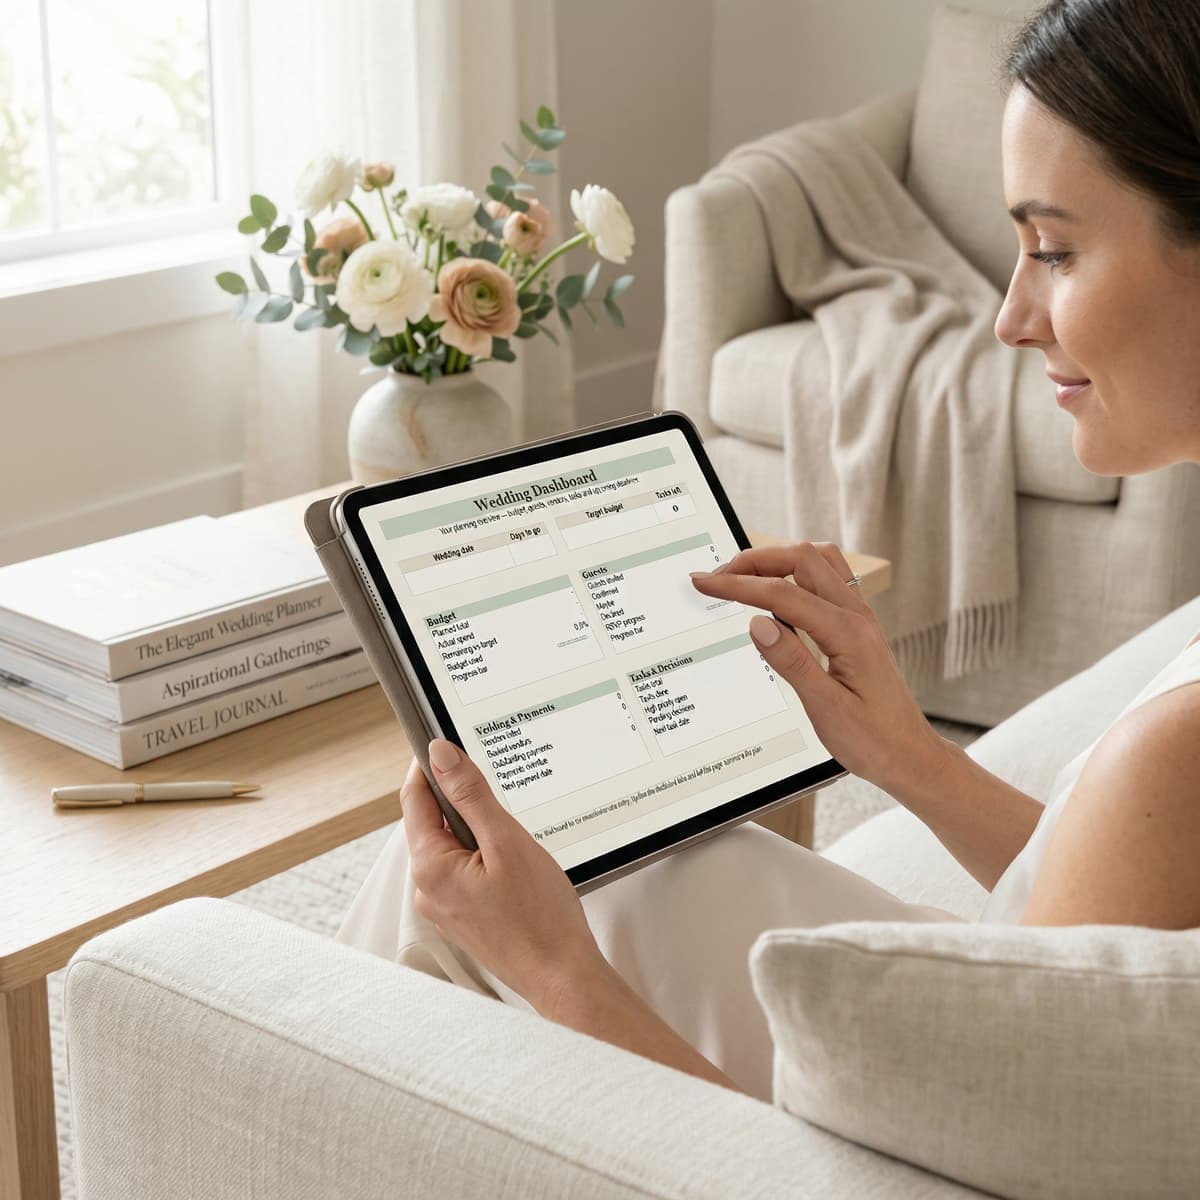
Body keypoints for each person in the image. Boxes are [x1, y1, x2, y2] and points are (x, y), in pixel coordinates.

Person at [337, 0, 1200, 1103]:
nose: (1010, 316)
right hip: (999, 1026)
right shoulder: (1167, 775)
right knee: (602, 861)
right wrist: (902, 751)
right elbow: (1124, 923)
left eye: (1056, 250)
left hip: (894, 1130)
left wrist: (554, 971)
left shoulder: (1174, 757)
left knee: (448, 903)